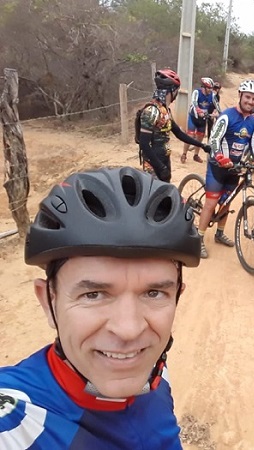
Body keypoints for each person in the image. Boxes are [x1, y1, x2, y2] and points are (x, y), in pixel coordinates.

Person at [0, 167, 200, 449]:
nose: (129, 330)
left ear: (177, 296)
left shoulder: (155, 373)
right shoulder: (15, 423)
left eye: (154, 293)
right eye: (93, 295)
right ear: (48, 301)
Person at [197, 79, 254, 259]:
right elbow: (214, 139)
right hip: (217, 167)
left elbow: (253, 143)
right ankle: (198, 238)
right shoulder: (227, 116)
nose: (251, 102)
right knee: (211, 204)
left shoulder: (253, 121)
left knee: (226, 202)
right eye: (248, 97)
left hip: (235, 168)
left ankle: (219, 233)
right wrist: (220, 156)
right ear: (240, 96)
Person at [138, 68, 208, 182]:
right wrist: (160, 167)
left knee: (167, 192)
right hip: (153, 164)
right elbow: (144, 144)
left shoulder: (165, 111)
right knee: (156, 192)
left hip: (165, 160)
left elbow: (179, 133)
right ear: (171, 90)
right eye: (176, 91)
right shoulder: (152, 111)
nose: (176, 94)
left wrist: (202, 145)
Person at [181, 77, 220, 164]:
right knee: (190, 136)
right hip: (193, 117)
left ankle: (196, 155)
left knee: (200, 137)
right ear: (204, 87)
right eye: (209, 88)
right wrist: (199, 111)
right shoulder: (196, 92)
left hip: (203, 119)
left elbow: (217, 106)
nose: (210, 90)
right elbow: (194, 103)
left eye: (211, 88)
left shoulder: (212, 95)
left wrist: (218, 114)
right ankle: (184, 154)